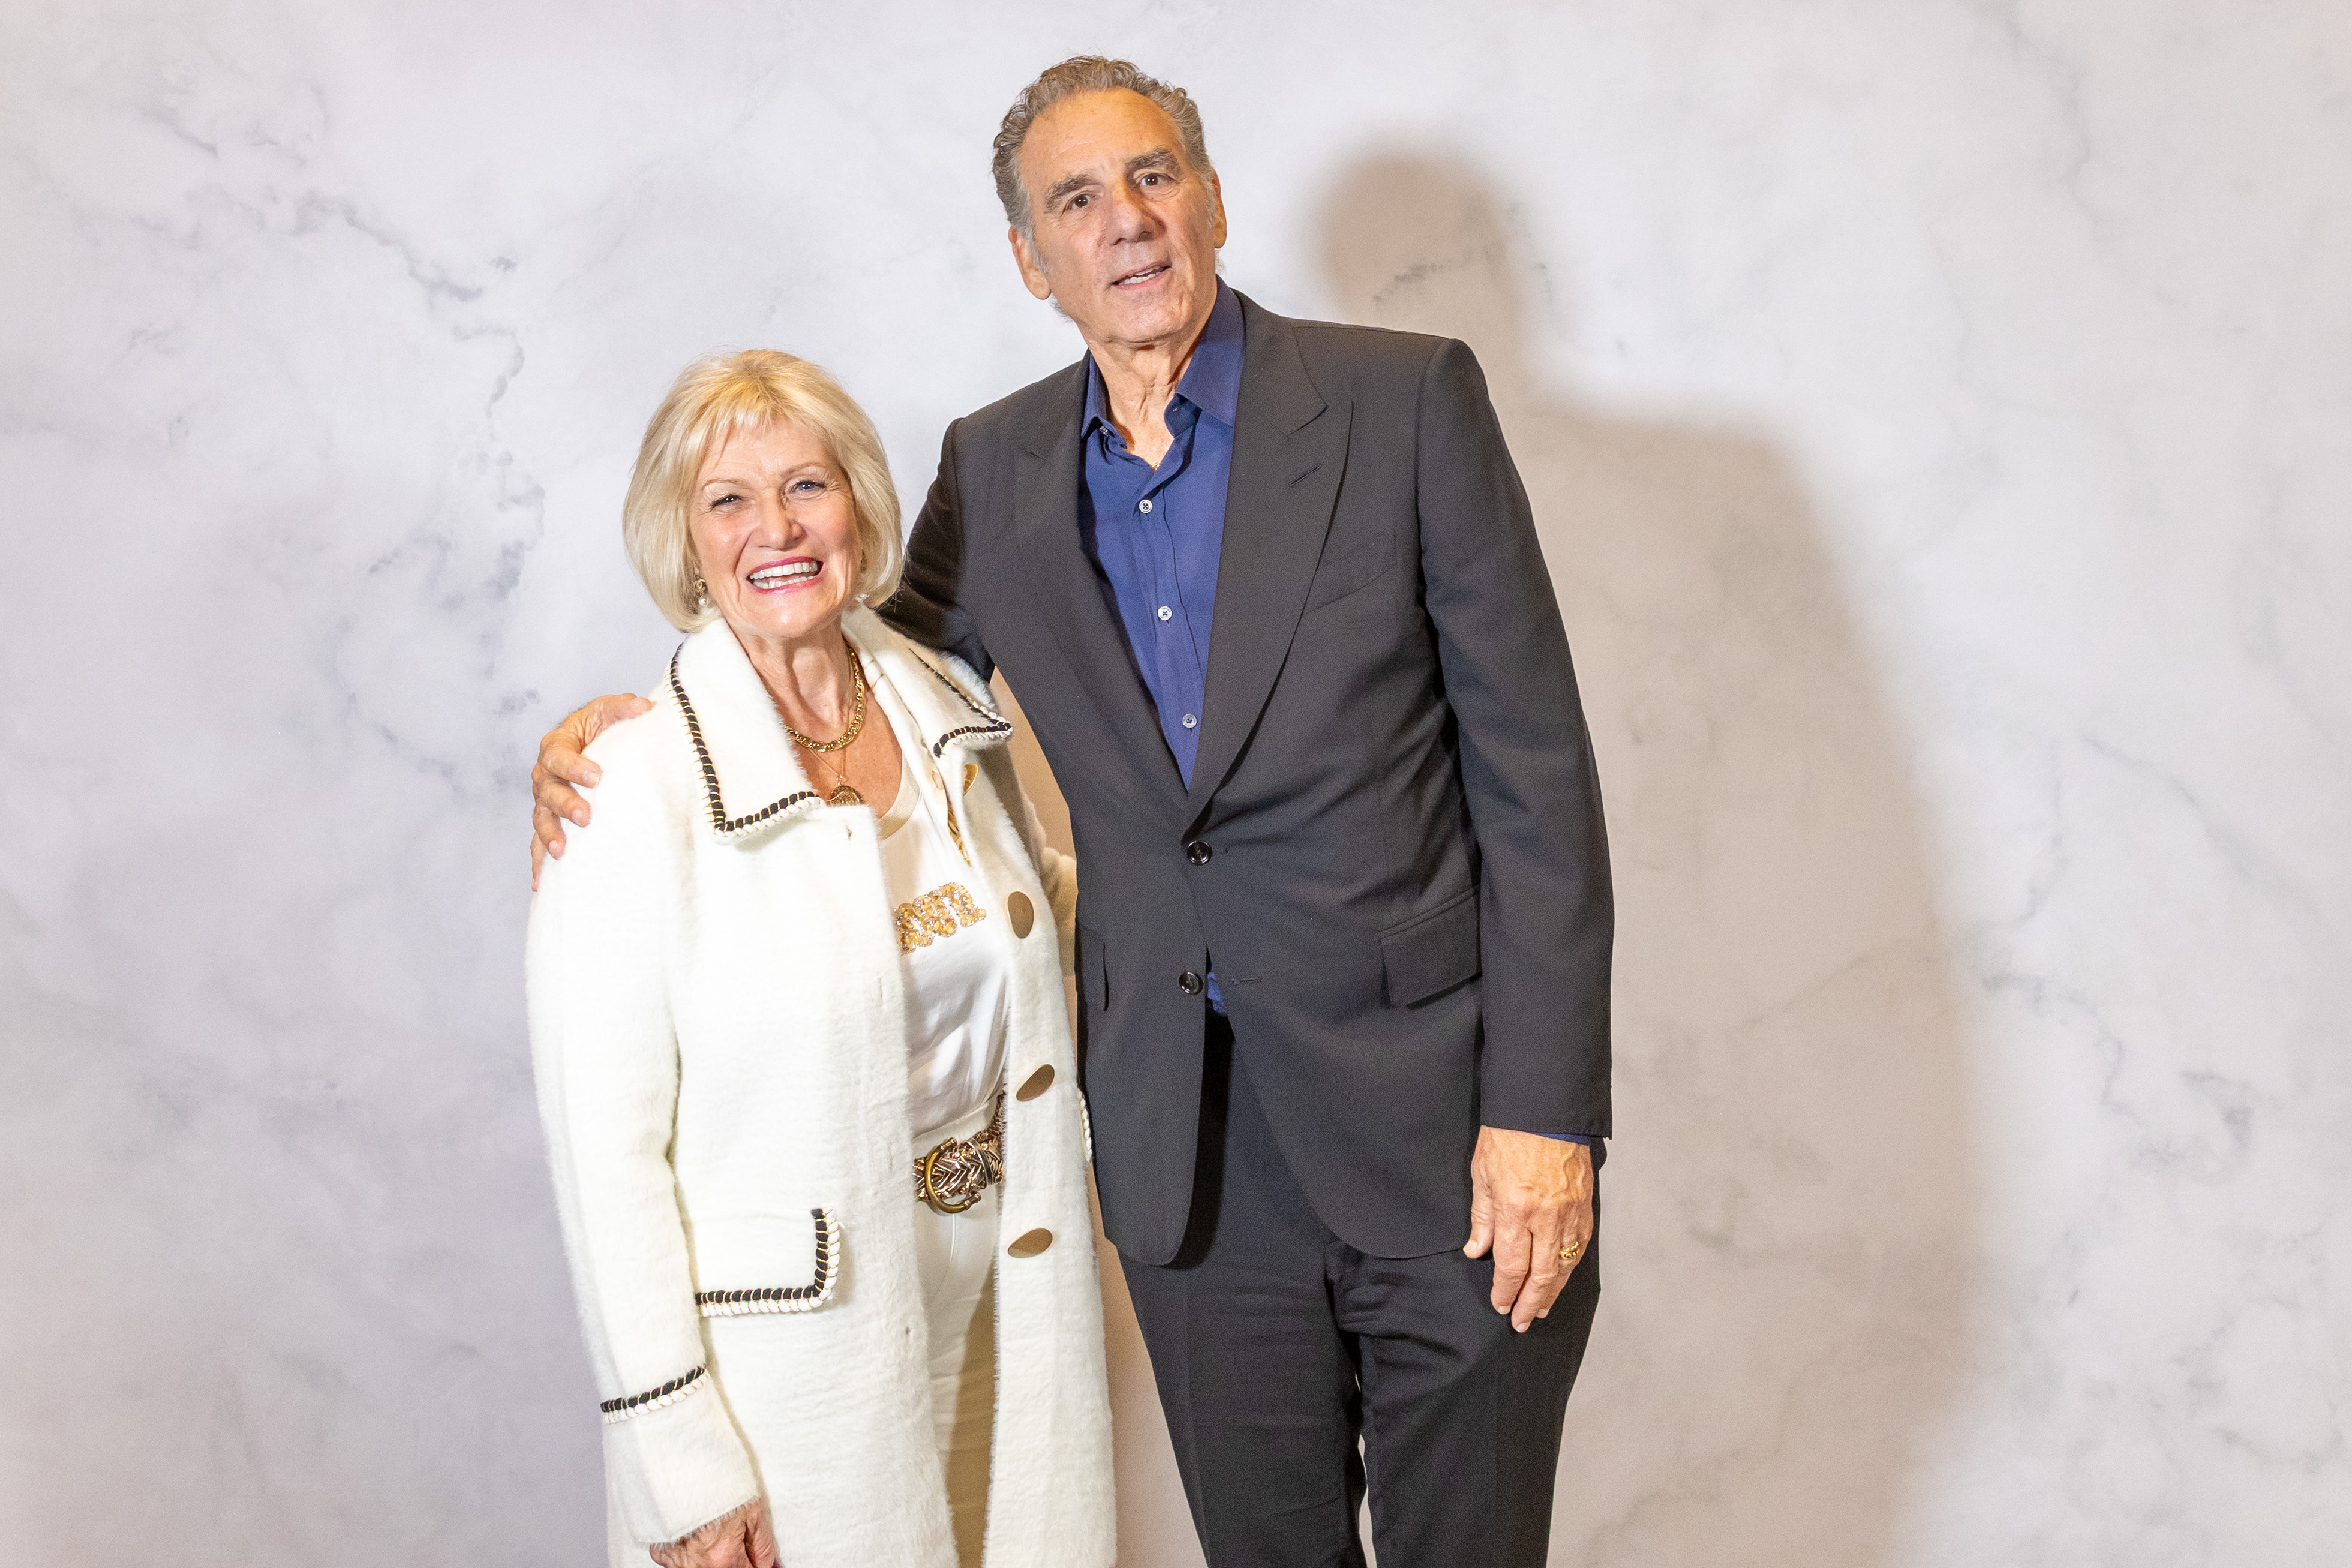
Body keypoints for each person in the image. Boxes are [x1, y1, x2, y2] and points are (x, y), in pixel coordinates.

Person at [535, 56, 1612, 1568]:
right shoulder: (999, 468)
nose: (1125, 220)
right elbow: (849, 655)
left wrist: (1544, 1114)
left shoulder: (1403, 400)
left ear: (1212, 198)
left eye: (1153, 175)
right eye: (1076, 199)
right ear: (1030, 259)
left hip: (1446, 1140)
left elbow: (1536, 776)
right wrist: (633, 729)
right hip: (1188, 1166)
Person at [525, 349, 1113, 1568]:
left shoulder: (943, 703)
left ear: (859, 507)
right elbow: (604, 1159)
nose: (777, 528)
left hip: (1005, 1303)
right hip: (787, 1374)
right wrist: (678, 1461)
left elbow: (1045, 909)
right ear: (686, 542)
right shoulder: (629, 787)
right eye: (728, 499)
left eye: (807, 484)